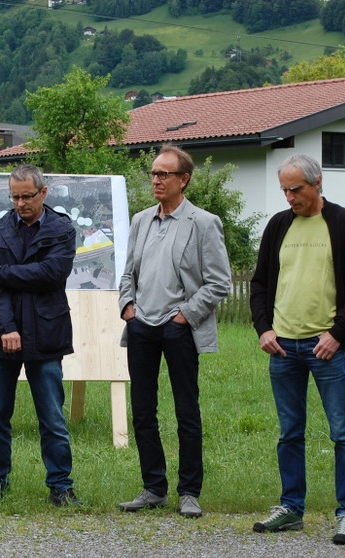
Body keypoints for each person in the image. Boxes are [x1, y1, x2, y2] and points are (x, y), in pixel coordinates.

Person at [250, 153, 345, 544]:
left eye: (296, 189)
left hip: (326, 347)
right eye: (284, 190)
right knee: (289, 433)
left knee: (343, 433)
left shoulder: (344, 223)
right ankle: (291, 508)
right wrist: (264, 330)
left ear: (317, 183)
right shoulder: (278, 225)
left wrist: (337, 334)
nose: (289, 197)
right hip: (283, 347)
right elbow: (259, 285)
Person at [118, 144, 232, 519]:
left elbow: (219, 283)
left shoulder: (203, 223)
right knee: (142, 411)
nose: (155, 179)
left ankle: (189, 492)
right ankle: (153, 488)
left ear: (183, 179)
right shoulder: (141, 220)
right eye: (153, 173)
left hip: (179, 328)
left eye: (163, 174)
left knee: (186, 411)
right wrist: (128, 307)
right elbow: (127, 273)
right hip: (141, 326)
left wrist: (184, 316)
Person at [0, 164, 82, 507]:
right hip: (0, 335)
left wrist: (1, 273)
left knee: (52, 418)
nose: (20, 203)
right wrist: (7, 327)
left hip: (47, 334)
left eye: (27, 196)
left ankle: (61, 486)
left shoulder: (62, 229)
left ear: (43, 193)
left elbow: (51, 274)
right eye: (14, 197)